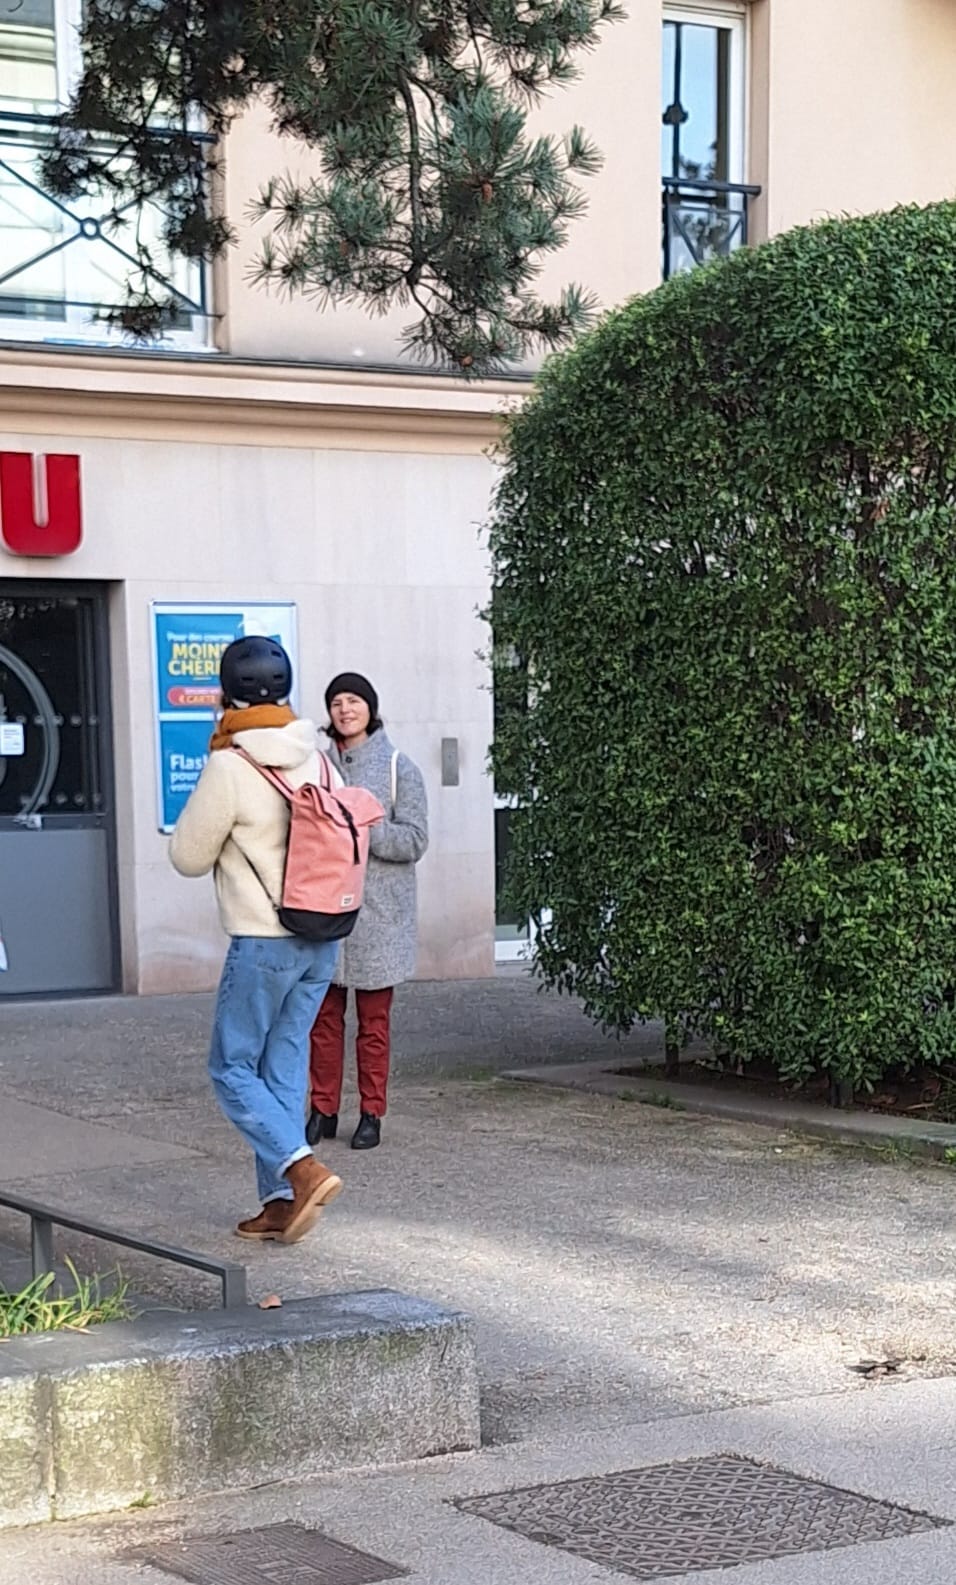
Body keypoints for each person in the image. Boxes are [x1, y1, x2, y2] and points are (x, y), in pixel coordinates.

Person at [169, 635, 343, 1243]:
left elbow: (188, 856)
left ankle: (301, 1168)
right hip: (322, 936)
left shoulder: (231, 765)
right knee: (283, 1067)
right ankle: (279, 1203)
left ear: (227, 695)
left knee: (231, 1067)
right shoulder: (318, 755)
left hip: (263, 939)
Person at [307, 672, 428, 1150]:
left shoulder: (400, 768)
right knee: (322, 1020)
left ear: (370, 709)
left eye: (353, 701)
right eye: (337, 702)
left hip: (379, 917)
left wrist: (365, 828)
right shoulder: (317, 768)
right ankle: (322, 1109)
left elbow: (415, 839)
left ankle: (371, 1112)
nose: (345, 710)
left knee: (374, 1025)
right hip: (325, 912)